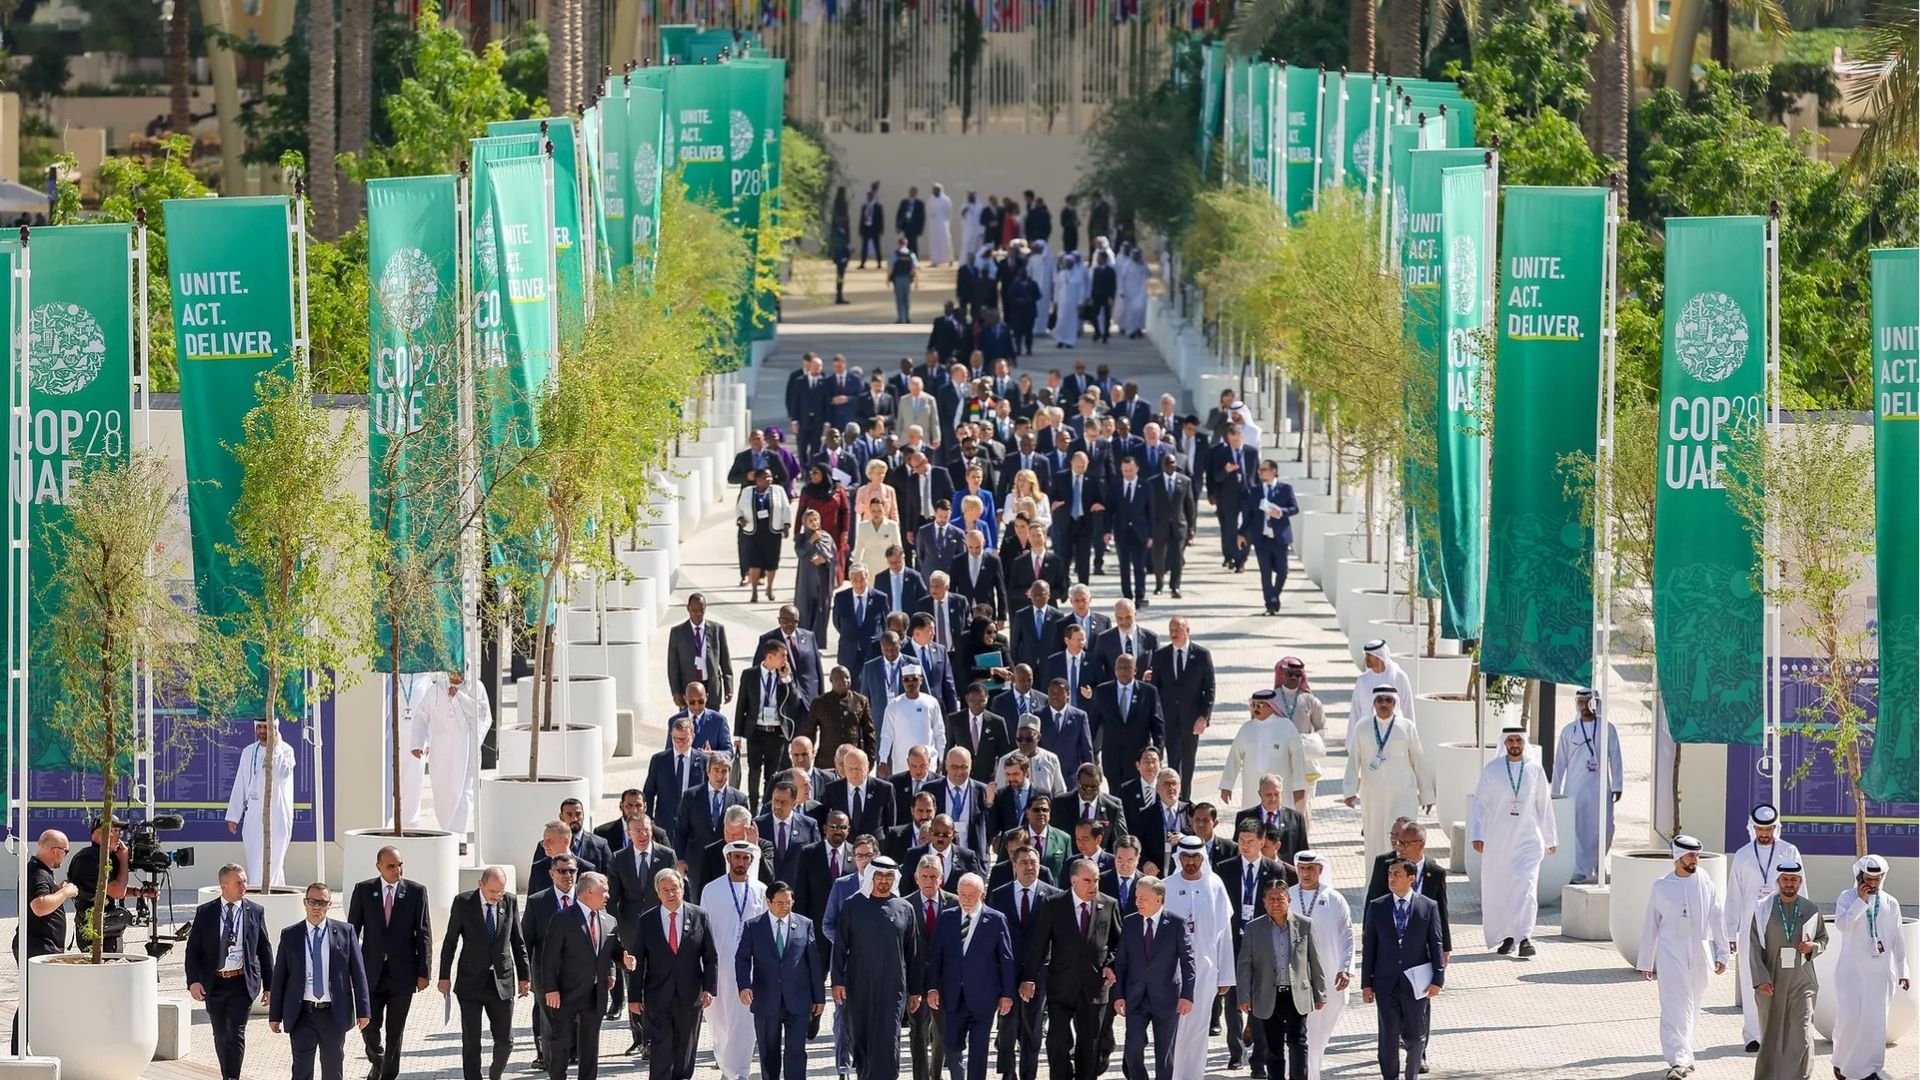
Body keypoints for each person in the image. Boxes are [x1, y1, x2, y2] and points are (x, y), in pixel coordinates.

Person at [1636, 836, 1728, 1080]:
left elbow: (1717, 919)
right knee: (1674, 1007)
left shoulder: (1705, 883)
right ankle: (1677, 1059)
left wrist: (1723, 953)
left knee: (1692, 1006)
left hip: (1699, 956)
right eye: (1689, 856)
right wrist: (1646, 961)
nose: (1694, 860)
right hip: (1670, 956)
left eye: (1697, 855)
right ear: (1677, 857)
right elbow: (1650, 925)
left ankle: (1686, 1054)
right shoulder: (1661, 886)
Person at [1022, 858, 1121, 1080]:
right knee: (1057, 1040)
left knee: (1090, 1045)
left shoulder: (1109, 904)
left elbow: (1118, 943)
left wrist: (1110, 965)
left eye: (1096, 880)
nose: (1093, 886)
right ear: (1073, 880)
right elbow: (1039, 944)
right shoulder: (1054, 904)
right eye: (1087, 880)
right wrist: (1028, 978)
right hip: (1062, 987)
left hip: (1095, 987)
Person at [1468, 725, 1557, 958]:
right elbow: (1480, 804)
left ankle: (1525, 936)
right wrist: (1478, 834)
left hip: (1528, 841)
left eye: (1519, 740)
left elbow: (1544, 805)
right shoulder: (1492, 770)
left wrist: (1550, 838)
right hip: (1499, 842)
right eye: (1511, 741)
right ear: (1504, 743)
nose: (1515, 745)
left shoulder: (1535, 770)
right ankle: (1507, 936)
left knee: (1525, 885)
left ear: (1524, 742)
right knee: (1503, 889)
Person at [270, 882, 373, 1080]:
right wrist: (275, 1015)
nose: (317, 906)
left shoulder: (346, 932)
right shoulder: (291, 935)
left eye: (322, 902)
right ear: (305, 903)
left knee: (333, 1071)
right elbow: (280, 977)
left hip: (333, 1015)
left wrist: (363, 1011)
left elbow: (358, 974)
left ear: (329, 905)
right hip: (302, 1014)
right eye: (313, 901)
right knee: (301, 1071)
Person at [1721, 803, 1802, 1052]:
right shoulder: (1743, 855)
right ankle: (1754, 1035)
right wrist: (1730, 933)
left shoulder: (1789, 852)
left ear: (1775, 828)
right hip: (1750, 929)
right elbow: (1733, 896)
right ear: (1752, 828)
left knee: (1783, 981)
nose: (1764, 834)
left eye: (1768, 829)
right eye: (1760, 829)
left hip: (1783, 929)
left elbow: (1802, 890)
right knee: (1751, 981)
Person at [345, 846, 432, 1080]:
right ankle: (378, 1059)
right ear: (379, 867)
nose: (397, 870)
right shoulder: (364, 891)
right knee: (369, 1026)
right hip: (370, 972)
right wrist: (350, 970)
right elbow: (352, 932)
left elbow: (423, 933)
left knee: (396, 1031)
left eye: (400, 864)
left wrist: (424, 971)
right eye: (391, 866)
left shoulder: (416, 892)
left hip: (403, 974)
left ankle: (388, 1075)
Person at [833, 855, 923, 1080]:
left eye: (889, 877)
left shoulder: (905, 909)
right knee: (861, 1040)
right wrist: (837, 981)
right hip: (859, 984)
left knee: (888, 1039)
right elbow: (840, 947)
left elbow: (913, 953)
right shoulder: (852, 905)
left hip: (893, 987)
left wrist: (916, 991)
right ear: (871, 876)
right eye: (879, 875)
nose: (884, 881)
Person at [438, 867, 530, 1080]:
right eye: (492, 892)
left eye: (500, 891)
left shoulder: (510, 901)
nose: (496, 896)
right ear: (481, 884)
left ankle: (495, 1075)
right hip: (471, 981)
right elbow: (450, 942)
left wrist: (525, 976)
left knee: (505, 1041)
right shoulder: (463, 903)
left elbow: (518, 941)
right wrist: (444, 976)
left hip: (502, 980)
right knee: (472, 1041)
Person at [540, 872, 633, 1080]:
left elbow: (613, 951)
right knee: (561, 1044)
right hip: (566, 994)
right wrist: (551, 988)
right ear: (589, 892)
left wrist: (622, 963)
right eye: (604, 891)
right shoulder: (562, 919)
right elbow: (549, 959)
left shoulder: (609, 920)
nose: (608, 895)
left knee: (590, 1047)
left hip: (596, 994)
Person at [185, 862, 271, 1080]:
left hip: (242, 982)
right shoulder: (206, 913)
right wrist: (193, 981)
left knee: (236, 1033)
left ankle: (232, 1077)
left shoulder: (255, 911)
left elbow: (264, 949)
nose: (244, 886)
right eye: (238, 882)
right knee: (220, 1034)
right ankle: (227, 1075)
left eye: (244, 881)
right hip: (214, 983)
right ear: (224, 886)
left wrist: (270, 986)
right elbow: (193, 950)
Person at [1156, 835, 1234, 1079]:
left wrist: (1226, 975)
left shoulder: (1215, 885)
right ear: (1179, 858)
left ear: (1203, 857)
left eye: (1195, 857)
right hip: (1171, 973)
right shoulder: (1165, 886)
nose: (1190, 862)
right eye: (1186, 857)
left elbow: (1225, 933)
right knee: (1172, 1030)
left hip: (1206, 971)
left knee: (1199, 1030)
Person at [1361, 859, 1445, 1080]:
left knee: (1416, 1037)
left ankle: (1411, 1075)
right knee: (1388, 1036)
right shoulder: (1377, 906)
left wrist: (1438, 978)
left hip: (1416, 983)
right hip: (1385, 982)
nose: (1391, 878)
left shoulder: (1427, 906)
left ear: (1411, 878)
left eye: (1397, 874)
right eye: (1390, 873)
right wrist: (1366, 984)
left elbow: (1436, 943)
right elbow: (1369, 946)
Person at [631, 867, 717, 1080]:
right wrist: (634, 997)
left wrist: (709, 989)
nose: (670, 894)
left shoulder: (699, 915)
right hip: (658, 995)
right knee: (661, 1049)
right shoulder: (647, 920)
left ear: (682, 889)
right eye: (665, 890)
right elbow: (638, 961)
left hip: (690, 995)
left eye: (674, 889)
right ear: (658, 893)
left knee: (685, 1050)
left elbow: (710, 957)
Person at [1831, 854, 1911, 1080]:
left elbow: (1897, 940)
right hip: (1851, 973)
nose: (1873, 884)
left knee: (1875, 1026)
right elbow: (1843, 926)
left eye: (1877, 880)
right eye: (1868, 879)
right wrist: (1860, 901)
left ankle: (1870, 1070)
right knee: (1850, 1020)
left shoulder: (1890, 902)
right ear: (1859, 876)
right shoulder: (1846, 897)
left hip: (1880, 974)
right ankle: (1841, 1062)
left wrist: (1903, 970)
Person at [1743, 860, 1825, 1080]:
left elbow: (1822, 938)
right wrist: (1760, 979)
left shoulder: (1810, 909)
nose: (1789, 883)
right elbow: (1752, 945)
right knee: (1771, 1035)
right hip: (1771, 981)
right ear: (1778, 881)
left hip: (1802, 981)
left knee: (1802, 1033)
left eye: (1794, 879)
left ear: (1800, 881)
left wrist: (1813, 947)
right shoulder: (1762, 909)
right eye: (1785, 879)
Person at [1237, 880, 1326, 1080]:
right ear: (1264, 902)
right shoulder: (1253, 928)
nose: (1276, 903)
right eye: (1271, 899)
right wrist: (1244, 996)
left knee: (1298, 1042)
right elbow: (1244, 965)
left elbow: (1315, 960)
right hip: (1268, 995)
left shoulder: (1305, 925)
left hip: (1297, 994)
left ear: (1289, 900)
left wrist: (1320, 993)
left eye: (1280, 899)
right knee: (1273, 1046)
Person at [735, 881, 822, 1080]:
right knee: (769, 1053)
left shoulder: (804, 924)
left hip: (798, 999)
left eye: (789, 902)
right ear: (768, 902)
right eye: (780, 902)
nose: (785, 906)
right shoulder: (753, 926)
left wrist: (819, 998)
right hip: (766, 999)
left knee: (796, 1052)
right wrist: (744, 986)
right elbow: (741, 958)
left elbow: (814, 963)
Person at [1112, 875, 1194, 1080]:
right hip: (1136, 997)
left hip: (1167, 997)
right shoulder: (1129, 922)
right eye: (1137, 898)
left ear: (1159, 899)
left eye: (1143, 898)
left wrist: (1187, 995)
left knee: (1164, 1054)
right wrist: (1119, 994)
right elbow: (1121, 962)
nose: (1138, 902)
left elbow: (1188, 961)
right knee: (1132, 1050)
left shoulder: (1176, 924)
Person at [1340, 685, 1433, 862]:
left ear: (1394, 703)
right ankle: (1374, 887)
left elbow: (1419, 760)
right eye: (1379, 700)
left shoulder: (1407, 727)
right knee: (1374, 840)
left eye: (1388, 700)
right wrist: (1349, 790)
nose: (1384, 704)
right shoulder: (1362, 727)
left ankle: (1405, 885)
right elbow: (1353, 759)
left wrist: (1427, 795)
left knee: (1403, 839)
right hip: (1373, 797)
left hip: (1403, 796)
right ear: (1373, 703)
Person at [701, 841, 769, 1080]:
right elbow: (704, 931)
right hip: (719, 966)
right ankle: (728, 1066)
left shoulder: (761, 890)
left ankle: (740, 1071)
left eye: (745, 858)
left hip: (749, 967)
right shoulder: (711, 890)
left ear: (751, 861)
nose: (740, 863)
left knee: (745, 1019)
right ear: (728, 859)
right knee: (720, 1022)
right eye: (736, 857)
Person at [1288, 853, 1351, 1080]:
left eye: (1310, 869)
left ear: (1320, 870)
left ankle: (1311, 1072)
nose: (1305, 874)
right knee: (1298, 1034)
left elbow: (1348, 935)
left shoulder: (1334, 899)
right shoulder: (1287, 897)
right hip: (1294, 978)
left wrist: (1345, 968)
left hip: (1328, 977)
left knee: (1319, 1034)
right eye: (1301, 868)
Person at [1552, 686, 1622, 885]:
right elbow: (1559, 763)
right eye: (1580, 703)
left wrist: (1617, 784)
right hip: (1575, 791)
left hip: (1600, 790)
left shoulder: (1608, 729)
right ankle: (1580, 868)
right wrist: (1555, 792)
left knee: (1605, 828)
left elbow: (1615, 758)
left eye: (1588, 702)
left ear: (1596, 703)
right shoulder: (1569, 731)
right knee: (1578, 830)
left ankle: (1598, 860)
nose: (1584, 707)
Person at [418, 671, 491, 837]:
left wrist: (460, 697)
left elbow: (483, 714)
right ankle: (447, 832)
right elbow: (422, 716)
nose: (456, 676)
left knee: (465, 792)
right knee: (443, 791)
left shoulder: (476, 687)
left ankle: (460, 835)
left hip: (466, 750)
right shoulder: (437, 689)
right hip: (441, 751)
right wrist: (419, 742)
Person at [225, 718, 297, 887]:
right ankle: (258, 894)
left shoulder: (286, 750)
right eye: (260, 727)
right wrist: (233, 815)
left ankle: (274, 894)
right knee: (255, 858)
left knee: (275, 860)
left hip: (278, 815)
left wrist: (276, 748)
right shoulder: (248, 752)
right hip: (254, 814)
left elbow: (284, 773)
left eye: (266, 727)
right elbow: (240, 783)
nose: (263, 730)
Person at [1220, 688, 1310, 818]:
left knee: (1280, 823)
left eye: (1260, 705)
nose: (1255, 709)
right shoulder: (1247, 729)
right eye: (1253, 705)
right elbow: (1234, 757)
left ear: (1271, 706)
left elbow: (1298, 759)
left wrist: (1299, 787)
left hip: (1278, 792)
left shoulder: (1287, 727)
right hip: (1252, 790)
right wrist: (1227, 785)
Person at [66, 815, 135, 954]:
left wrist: (140, 892)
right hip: (94, 933)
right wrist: (123, 859)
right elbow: (116, 891)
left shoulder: (107, 857)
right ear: (99, 833)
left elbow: (108, 889)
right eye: (114, 831)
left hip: (108, 930)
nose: (119, 836)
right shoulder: (89, 859)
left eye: (120, 832)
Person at [1269, 659, 1327, 822]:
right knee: (1278, 801)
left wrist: (1310, 743)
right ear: (1282, 674)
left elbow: (1322, 728)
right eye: (1290, 674)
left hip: (1304, 761)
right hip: (1278, 759)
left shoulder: (1310, 700)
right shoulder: (1271, 700)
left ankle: (1302, 840)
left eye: (1298, 675)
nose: (1294, 678)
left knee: (1301, 804)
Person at [1238, 461, 1298, 614]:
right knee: (1265, 572)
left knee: (1283, 571)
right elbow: (1249, 514)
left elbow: (1294, 508)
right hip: (1262, 538)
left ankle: (1274, 596)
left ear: (1273, 471)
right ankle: (1270, 604)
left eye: (1264, 469)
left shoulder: (1285, 489)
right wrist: (1241, 533)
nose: (1260, 472)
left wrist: (1281, 512)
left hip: (1279, 538)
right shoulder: (1256, 491)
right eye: (1259, 470)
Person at [666, 594, 734, 709]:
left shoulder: (717, 629)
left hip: (711, 687)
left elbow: (725, 661)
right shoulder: (677, 632)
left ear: (705, 608)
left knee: (712, 722)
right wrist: (675, 692)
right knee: (690, 725)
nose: (697, 614)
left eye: (701, 610)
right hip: (688, 689)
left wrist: (729, 687)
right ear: (688, 609)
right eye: (694, 610)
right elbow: (673, 665)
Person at [736, 469, 792, 604]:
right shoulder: (747, 491)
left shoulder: (778, 490)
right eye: (765, 477)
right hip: (753, 532)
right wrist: (740, 519)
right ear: (757, 479)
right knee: (754, 563)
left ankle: (770, 588)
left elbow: (786, 507)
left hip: (772, 532)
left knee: (771, 563)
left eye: (770, 477)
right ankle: (754, 591)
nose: (768, 479)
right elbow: (739, 509)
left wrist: (786, 525)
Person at [1147, 454, 1196, 599]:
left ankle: (1175, 586)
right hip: (1159, 525)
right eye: (1167, 463)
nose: (1170, 465)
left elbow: (1190, 505)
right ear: (1162, 465)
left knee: (1177, 558)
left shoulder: (1185, 481)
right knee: (1158, 557)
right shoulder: (1153, 482)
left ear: (1176, 465)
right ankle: (1159, 584)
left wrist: (1191, 527)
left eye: (1172, 463)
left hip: (1178, 525)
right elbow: (1149, 507)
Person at [1349, 639, 1416, 722]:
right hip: (1367, 730)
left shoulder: (1399, 677)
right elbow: (1355, 712)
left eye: (1369, 655)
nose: (1366, 658)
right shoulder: (1362, 680)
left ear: (1379, 656)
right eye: (1366, 655)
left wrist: (1410, 732)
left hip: (1394, 730)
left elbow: (1407, 709)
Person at [889, 237, 921, 324]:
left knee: (899, 299)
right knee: (906, 298)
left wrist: (887, 279)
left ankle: (901, 318)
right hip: (908, 278)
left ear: (899, 244)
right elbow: (915, 268)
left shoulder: (895, 254)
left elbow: (890, 268)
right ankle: (906, 317)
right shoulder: (911, 254)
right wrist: (917, 281)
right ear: (906, 244)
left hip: (898, 278)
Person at [859, 184, 885, 268]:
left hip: (874, 229)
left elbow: (881, 219)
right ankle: (863, 263)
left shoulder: (878, 207)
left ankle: (879, 263)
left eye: (870, 196)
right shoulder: (864, 206)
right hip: (866, 227)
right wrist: (860, 229)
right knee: (864, 246)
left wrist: (881, 229)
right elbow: (861, 219)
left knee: (877, 246)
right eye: (868, 196)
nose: (869, 198)